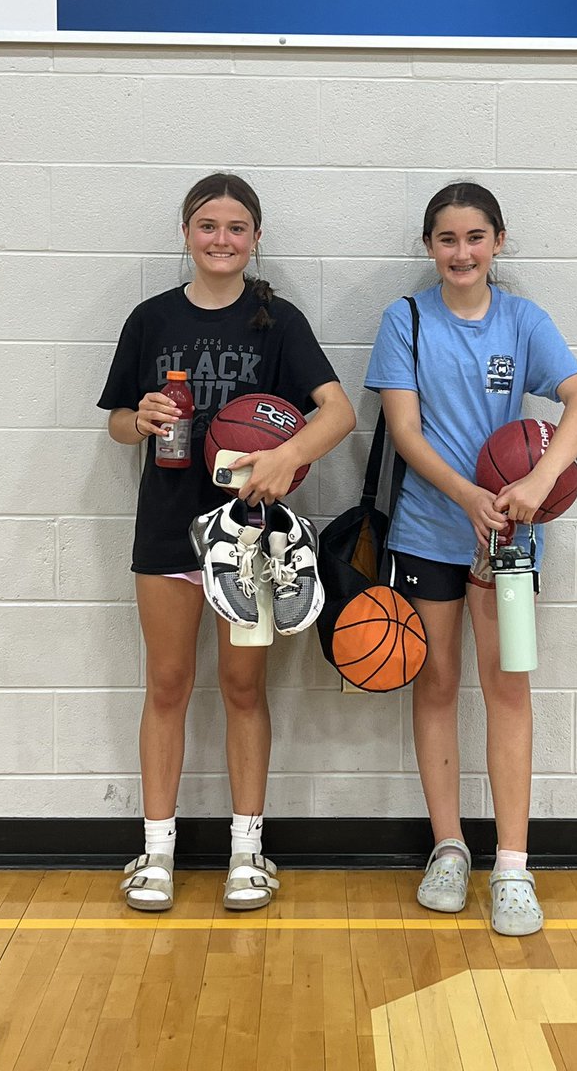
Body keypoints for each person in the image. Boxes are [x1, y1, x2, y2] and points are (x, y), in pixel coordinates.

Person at [99, 173, 355, 912]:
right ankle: (156, 852)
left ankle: (249, 850)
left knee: (244, 689)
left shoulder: (278, 323)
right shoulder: (150, 318)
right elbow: (115, 422)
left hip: (250, 538)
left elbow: (335, 412)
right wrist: (138, 419)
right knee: (168, 685)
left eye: (236, 227)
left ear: (256, 238)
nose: (221, 239)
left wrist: (286, 457)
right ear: (186, 234)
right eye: (207, 225)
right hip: (166, 529)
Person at [365, 182, 577, 936]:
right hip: (429, 530)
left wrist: (537, 480)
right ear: (428, 246)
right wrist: (468, 495)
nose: (461, 252)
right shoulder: (403, 321)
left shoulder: (525, 321)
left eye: (474, 237)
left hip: (508, 540)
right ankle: (448, 849)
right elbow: (405, 431)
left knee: (506, 690)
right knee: (435, 686)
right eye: (446, 239)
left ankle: (512, 867)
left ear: (498, 241)